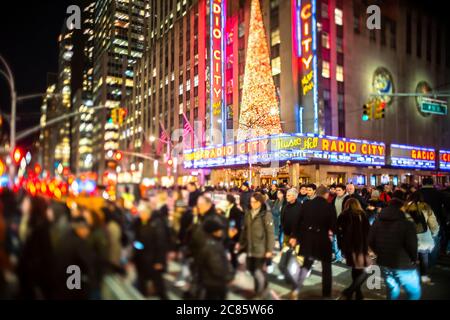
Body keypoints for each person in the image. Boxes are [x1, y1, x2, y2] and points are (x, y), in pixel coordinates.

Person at [368, 195, 421, 300]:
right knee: (414, 292)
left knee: (392, 288)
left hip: (384, 262)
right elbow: (412, 245)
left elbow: (370, 241)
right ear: (401, 208)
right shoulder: (407, 224)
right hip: (403, 263)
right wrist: (414, 259)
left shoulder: (377, 222)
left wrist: (379, 252)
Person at [289, 186, 336, 299]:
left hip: (308, 238)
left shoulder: (306, 204)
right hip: (323, 239)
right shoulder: (329, 206)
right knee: (326, 267)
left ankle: (296, 288)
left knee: (306, 265)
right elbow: (333, 225)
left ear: (316, 193)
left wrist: (294, 236)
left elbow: (298, 221)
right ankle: (326, 294)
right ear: (326, 194)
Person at [237, 192, 274, 299]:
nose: (252, 204)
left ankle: (260, 292)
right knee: (251, 269)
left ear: (260, 202)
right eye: (251, 202)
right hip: (250, 247)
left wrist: (269, 250)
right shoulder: (248, 213)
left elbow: (270, 233)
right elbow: (245, 230)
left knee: (258, 271)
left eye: (254, 202)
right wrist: (240, 243)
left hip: (261, 248)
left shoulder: (266, 214)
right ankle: (263, 286)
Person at [17, 195, 54, 300]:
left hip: (34, 278)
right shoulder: (27, 222)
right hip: (30, 275)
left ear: (33, 206)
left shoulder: (40, 228)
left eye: (26, 203)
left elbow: (42, 255)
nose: (23, 205)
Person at [133, 200, 169, 299]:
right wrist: (137, 246)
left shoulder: (156, 224)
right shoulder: (139, 223)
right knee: (142, 284)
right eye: (139, 213)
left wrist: (159, 261)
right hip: (141, 259)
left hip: (153, 260)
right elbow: (137, 239)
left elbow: (160, 244)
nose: (140, 215)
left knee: (158, 285)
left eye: (142, 213)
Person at [53, 216, 95, 300]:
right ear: (80, 228)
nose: (88, 232)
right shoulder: (78, 243)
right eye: (86, 228)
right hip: (71, 286)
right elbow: (87, 263)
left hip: (60, 284)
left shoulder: (65, 237)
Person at [336, 199, 371, 300]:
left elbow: (338, 232)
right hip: (360, 246)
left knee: (356, 268)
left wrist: (340, 246)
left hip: (348, 246)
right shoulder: (362, 214)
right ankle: (351, 291)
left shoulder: (343, 215)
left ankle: (354, 292)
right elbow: (368, 230)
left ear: (346, 205)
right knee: (365, 269)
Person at [403, 192, 440, 284]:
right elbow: (433, 223)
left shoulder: (405, 208)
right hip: (424, 238)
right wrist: (434, 233)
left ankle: (409, 277)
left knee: (411, 258)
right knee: (424, 257)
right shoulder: (426, 207)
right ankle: (424, 276)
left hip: (409, 238)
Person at [198, 219, 234, 300]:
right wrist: (228, 277)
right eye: (218, 230)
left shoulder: (213, 242)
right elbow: (216, 266)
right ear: (213, 232)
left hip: (212, 282)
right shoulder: (212, 245)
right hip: (215, 282)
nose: (221, 231)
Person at [420, 177, 449, 260]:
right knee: (435, 237)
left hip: (420, 220)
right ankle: (434, 257)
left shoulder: (417, 193)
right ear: (432, 183)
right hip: (437, 218)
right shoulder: (439, 193)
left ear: (423, 183)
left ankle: (424, 257)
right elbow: (447, 205)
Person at [225, 194, 244, 270]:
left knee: (233, 249)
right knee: (231, 249)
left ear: (229, 201)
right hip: (231, 231)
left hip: (234, 232)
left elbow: (235, 222)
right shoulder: (229, 208)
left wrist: (232, 231)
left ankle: (234, 265)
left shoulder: (234, 209)